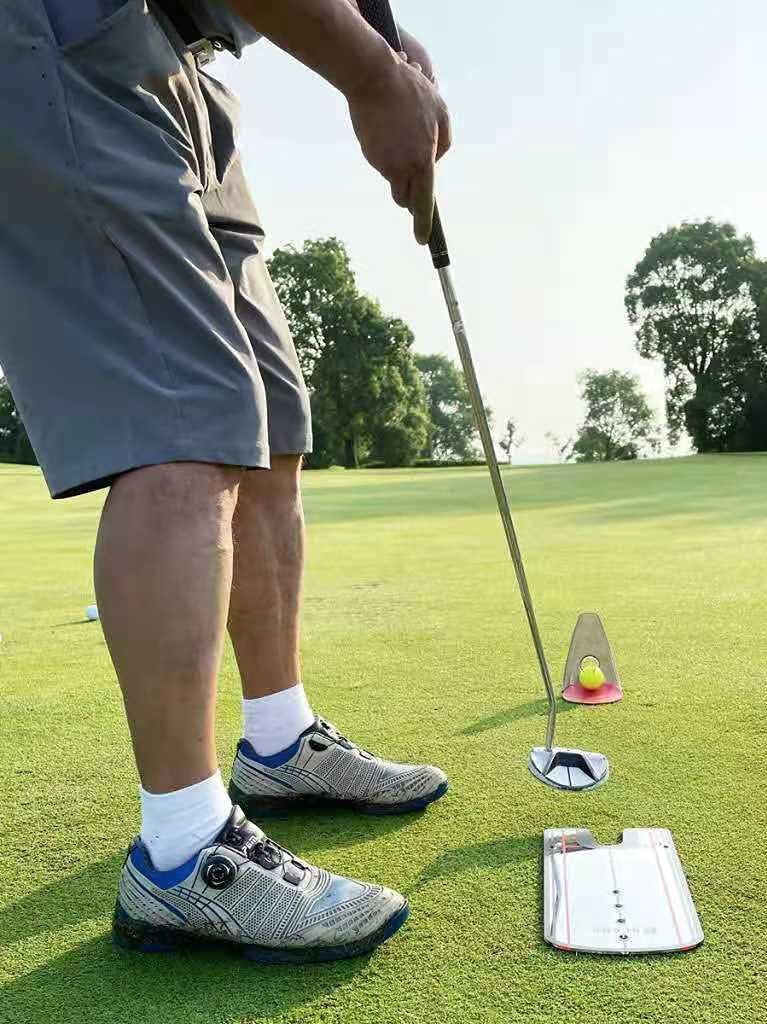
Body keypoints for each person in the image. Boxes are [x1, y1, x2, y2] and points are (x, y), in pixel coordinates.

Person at [0, 0, 452, 963]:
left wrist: (384, 38)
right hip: (63, 29)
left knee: (269, 417)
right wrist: (371, 76)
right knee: (186, 417)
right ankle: (181, 853)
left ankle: (280, 742)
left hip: (182, 54)